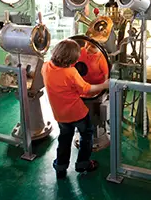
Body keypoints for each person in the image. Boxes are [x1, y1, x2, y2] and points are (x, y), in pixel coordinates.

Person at [42, 39, 109, 179]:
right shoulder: (71, 72)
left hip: (60, 115)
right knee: (87, 136)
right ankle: (83, 164)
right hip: (77, 113)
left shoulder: (46, 67)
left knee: (64, 139)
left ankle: (60, 167)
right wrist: (104, 85)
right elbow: (87, 89)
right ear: (71, 60)